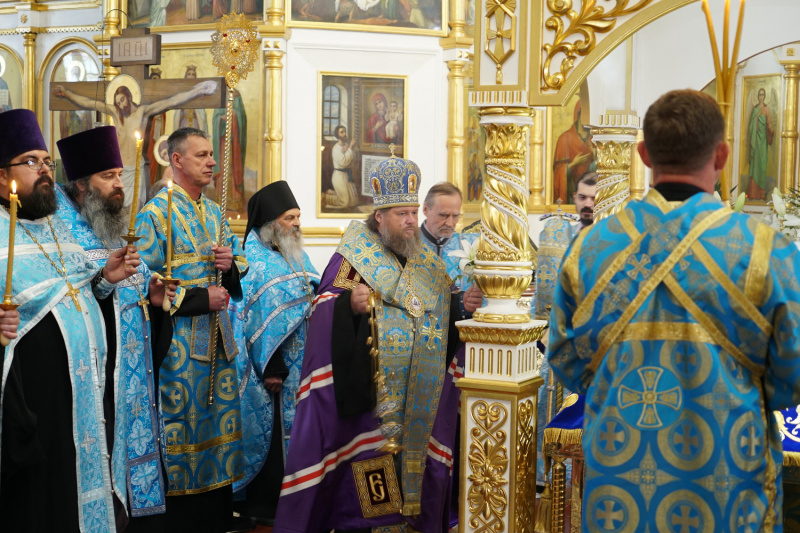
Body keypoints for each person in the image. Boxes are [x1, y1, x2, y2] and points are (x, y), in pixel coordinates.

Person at [548, 89, 800, 531]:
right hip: (731, 479)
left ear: (643, 155)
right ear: (721, 155)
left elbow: (567, 362)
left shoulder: (588, 249)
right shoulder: (765, 250)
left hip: (618, 486)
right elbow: (793, 373)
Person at [274, 155, 482, 532]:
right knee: (370, 502)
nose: (408, 221)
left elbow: (436, 315)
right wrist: (347, 306)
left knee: (414, 494)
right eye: (400, 213)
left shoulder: (428, 263)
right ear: (379, 216)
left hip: (419, 401)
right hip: (371, 409)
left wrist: (459, 306)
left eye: (412, 212)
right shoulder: (352, 259)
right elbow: (321, 309)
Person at [0, 109, 141, 532]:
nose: (44, 171)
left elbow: (69, 297)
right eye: (31, 162)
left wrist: (102, 280)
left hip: (82, 402)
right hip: (33, 410)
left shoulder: (59, 226)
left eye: (46, 162)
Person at [55, 125, 178, 531]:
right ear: (79, 186)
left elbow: (139, 298)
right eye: (107, 176)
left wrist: (155, 299)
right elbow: (73, 304)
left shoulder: (111, 232)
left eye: (119, 175)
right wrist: (105, 283)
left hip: (129, 388)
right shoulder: (62, 237)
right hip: (93, 388)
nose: (118, 185)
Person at [136, 127, 248, 532]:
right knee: (181, 437)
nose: (212, 162)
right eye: (201, 155)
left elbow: (239, 273)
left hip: (218, 345)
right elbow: (142, 284)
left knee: (218, 438)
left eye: (212, 156)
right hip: (178, 351)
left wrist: (228, 265)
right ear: (176, 159)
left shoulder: (216, 212)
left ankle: (216, 519)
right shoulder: (155, 214)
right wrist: (200, 298)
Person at [231, 181, 320, 526]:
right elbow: (249, 317)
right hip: (273, 374)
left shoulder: (295, 254)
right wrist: (273, 366)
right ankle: (267, 510)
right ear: (269, 223)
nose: (297, 223)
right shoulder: (254, 261)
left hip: (304, 368)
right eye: (289, 217)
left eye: (298, 216)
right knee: (273, 440)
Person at [51, 76, 219, 209]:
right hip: (121, 172)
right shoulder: (115, 113)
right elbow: (89, 102)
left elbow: (171, 101)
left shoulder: (142, 112)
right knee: (118, 210)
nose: (120, 104)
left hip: (137, 171)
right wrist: (67, 93)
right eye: (117, 101)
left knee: (135, 211)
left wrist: (197, 91)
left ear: (129, 97)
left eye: (122, 100)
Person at [420, 181, 477, 291]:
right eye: (443, 215)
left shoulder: (472, 245)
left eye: (455, 216)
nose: (450, 223)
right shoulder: (407, 243)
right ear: (425, 209)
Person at [553, 100, 595, 203]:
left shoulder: (596, 140)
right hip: (572, 197)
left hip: (592, 197)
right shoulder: (565, 138)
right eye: (585, 115)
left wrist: (596, 155)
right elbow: (558, 172)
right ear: (578, 115)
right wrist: (573, 164)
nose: (587, 119)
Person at [745, 87, 775, 201]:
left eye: (763, 94)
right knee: (755, 165)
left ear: (765, 96)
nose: (761, 96)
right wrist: (756, 118)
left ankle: (762, 194)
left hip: (763, 141)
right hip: (755, 141)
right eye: (759, 95)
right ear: (757, 96)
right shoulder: (755, 109)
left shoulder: (766, 109)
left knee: (762, 165)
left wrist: (772, 130)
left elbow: (769, 123)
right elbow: (751, 126)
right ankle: (752, 194)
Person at [325, 124, 359, 209]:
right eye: (341, 132)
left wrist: (349, 149)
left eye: (345, 132)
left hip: (347, 175)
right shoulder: (336, 148)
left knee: (353, 202)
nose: (344, 134)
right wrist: (350, 147)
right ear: (337, 135)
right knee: (345, 203)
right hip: (339, 176)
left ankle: (331, 193)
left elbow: (352, 159)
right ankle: (326, 197)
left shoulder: (346, 146)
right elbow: (343, 162)